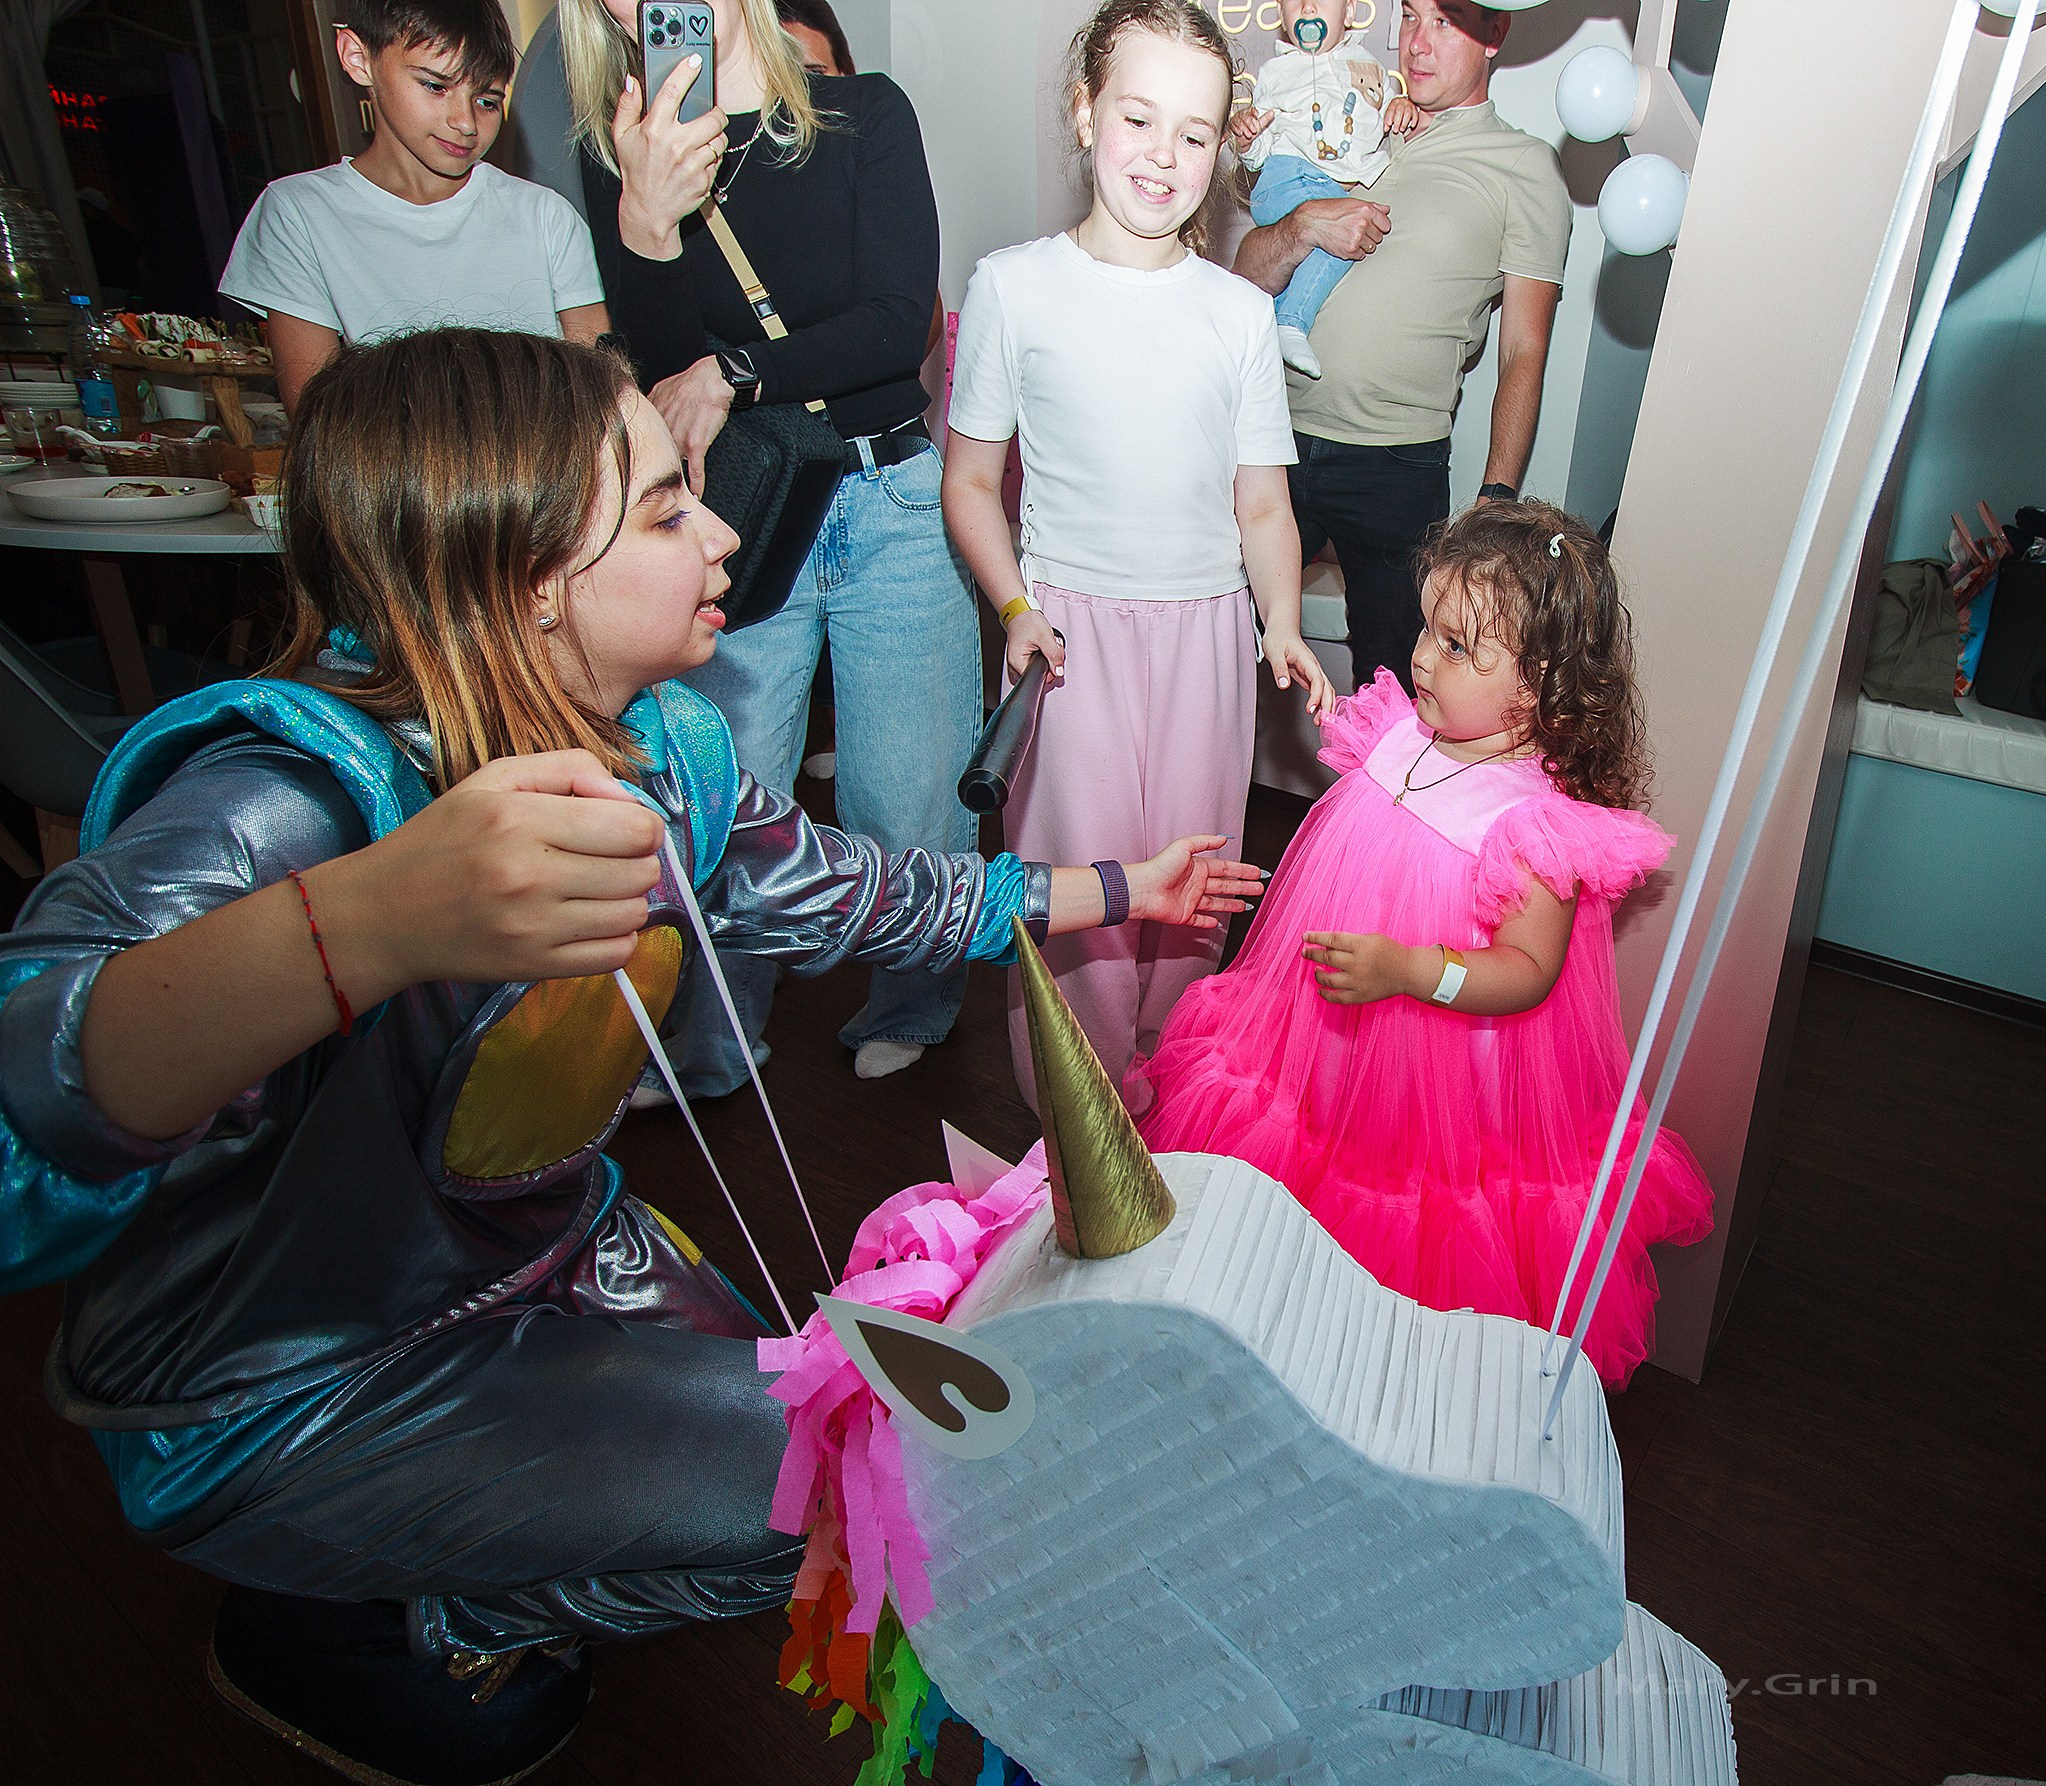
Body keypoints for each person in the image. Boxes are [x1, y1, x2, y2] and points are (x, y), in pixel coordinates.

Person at [0, 328, 1264, 1785]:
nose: (724, 531)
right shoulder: (289, 806)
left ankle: (452, 1575)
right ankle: (369, 1603)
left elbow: (852, 889)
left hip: (555, 1259)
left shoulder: (666, 747)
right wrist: (368, 916)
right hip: (297, 1382)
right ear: (534, 579)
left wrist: (1115, 889)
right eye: (668, 510)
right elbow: (29, 1126)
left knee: (884, 1442)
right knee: (860, 1486)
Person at [1129, 504, 1716, 1388]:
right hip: (1329, 1033)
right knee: (1307, 1146)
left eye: (1456, 647)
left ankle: (1374, 1372)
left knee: (1399, 1206)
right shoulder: (1403, 733)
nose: (1421, 657)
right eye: (1429, 632)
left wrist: (1410, 971)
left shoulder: (1532, 826)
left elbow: (1528, 973)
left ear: (1538, 682)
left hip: (1437, 1062)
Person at [560, 0, 978, 1089]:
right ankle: (713, 1030)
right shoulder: (617, 154)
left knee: (909, 795)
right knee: (723, 787)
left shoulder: (861, 114)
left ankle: (915, 997)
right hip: (736, 509)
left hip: (887, 495)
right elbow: (664, 379)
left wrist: (736, 370)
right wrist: (647, 227)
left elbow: (899, 323)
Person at [943, 0, 1335, 1105]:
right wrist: (1014, 609)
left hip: (1208, 638)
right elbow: (969, 483)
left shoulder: (1235, 314)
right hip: (1067, 645)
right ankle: (1071, 1140)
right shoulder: (1012, 286)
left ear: (1221, 151)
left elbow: (1260, 504)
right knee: (1080, 898)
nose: (1163, 156)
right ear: (1083, 114)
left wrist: (1279, 621)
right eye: (1138, 118)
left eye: (1195, 133)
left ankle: (1168, 1112)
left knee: (1193, 890)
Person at [1231, 0, 1571, 694]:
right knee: (1207, 643)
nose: (1417, 42)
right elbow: (1242, 281)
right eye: (1411, 16)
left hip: (1393, 464)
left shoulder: (1525, 168)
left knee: (1394, 685)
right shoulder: (1344, 110)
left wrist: (1497, 502)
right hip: (1266, 436)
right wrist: (1299, 227)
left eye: (1445, 22)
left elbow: (1524, 352)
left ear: (1495, 33)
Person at [219, 0, 608, 412]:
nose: (465, 122)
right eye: (436, 86)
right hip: (387, 475)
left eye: (487, 101)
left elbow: (596, 392)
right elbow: (316, 417)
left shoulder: (546, 217)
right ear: (357, 58)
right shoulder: (298, 213)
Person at [1234, 0, 1422, 379]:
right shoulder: (1276, 72)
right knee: (1341, 236)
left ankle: (1271, 326)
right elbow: (1258, 155)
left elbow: (1385, 112)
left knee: (1346, 231)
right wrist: (1249, 137)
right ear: (1282, 17)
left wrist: (1401, 105)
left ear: (1349, 13)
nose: (1306, 7)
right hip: (1287, 179)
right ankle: (1291, 321)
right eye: (1294, 1)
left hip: (1328, 186)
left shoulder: (1370, 66)